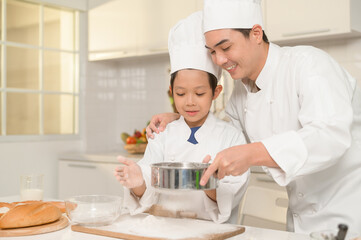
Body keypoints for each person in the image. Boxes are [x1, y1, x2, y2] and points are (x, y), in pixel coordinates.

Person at [146, 0, 361, 234]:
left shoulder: (308, 65)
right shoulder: (240, 96)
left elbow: (330, 135)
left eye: (225, 48)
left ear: (256, 34)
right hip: (300, 222)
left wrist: (252, 154)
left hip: (351, 213)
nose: (219, 60)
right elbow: (223, 138)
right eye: (213, 52)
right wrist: (180, 119)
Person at [114, 11, 249, 224]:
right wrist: (137, 181)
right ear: (171, 91)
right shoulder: (163, 133)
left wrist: (208, 180)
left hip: (210, 234)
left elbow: (231, 198)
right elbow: (147, 187)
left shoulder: (232, 138)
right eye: (180, 93)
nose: (189, 102)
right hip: (164, 229)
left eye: (200, 93)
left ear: (216, 92)